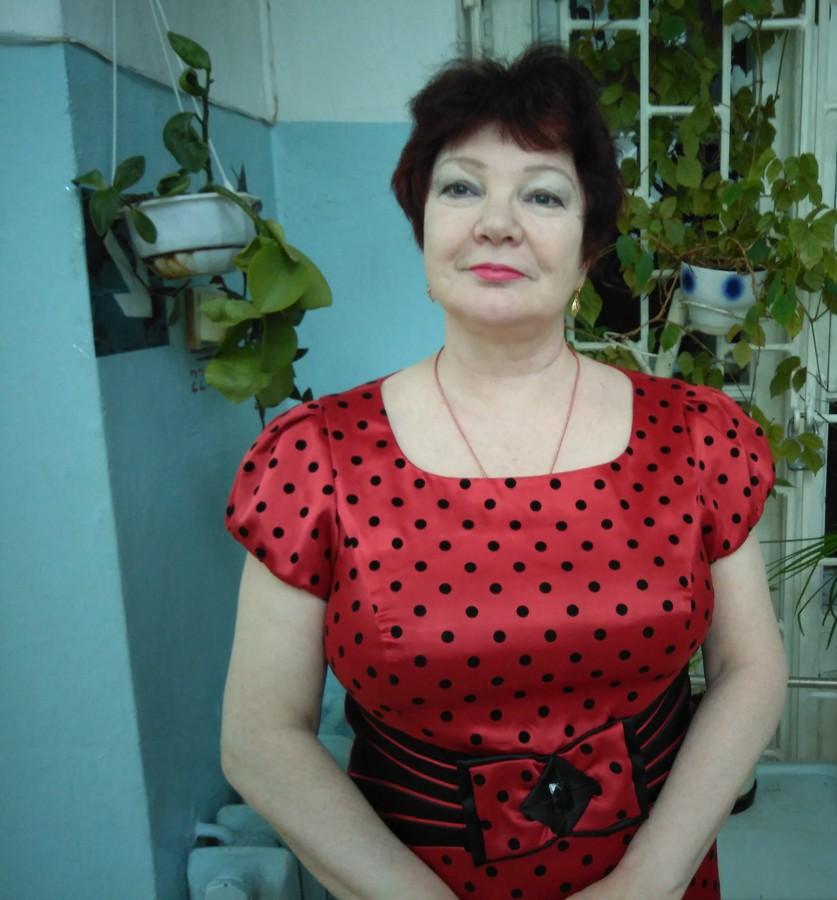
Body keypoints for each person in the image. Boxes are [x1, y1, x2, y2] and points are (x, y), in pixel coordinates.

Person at [220, 45, 787, 900]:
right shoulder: (317, 458)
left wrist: (648, 881)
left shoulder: (696, 437)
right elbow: (261, 735)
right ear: (423, 227)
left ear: (589, 246)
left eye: (543, 194)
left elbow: (750, 670)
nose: (496, 222)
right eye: (461, 187)